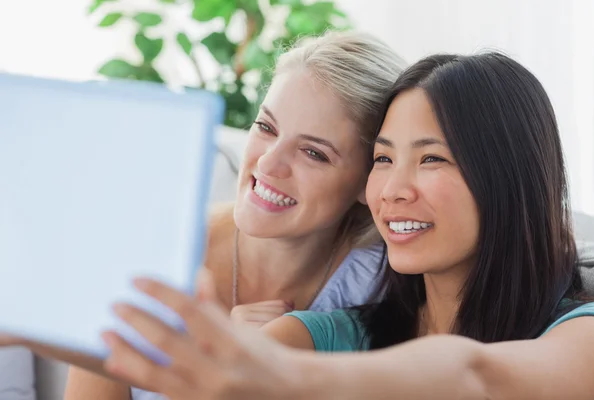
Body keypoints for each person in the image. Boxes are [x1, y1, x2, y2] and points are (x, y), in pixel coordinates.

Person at [96, 52, 594, 399]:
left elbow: (476, 377)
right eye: (383, 159)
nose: (394, 189)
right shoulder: (327, 335)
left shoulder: (584, 336)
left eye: (431, 159)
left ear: (509, 178)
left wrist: (284, 378)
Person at [0, 30, 406, 400]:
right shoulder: (145, 254)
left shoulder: (386, 279)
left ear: (369, 178)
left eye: (313, 153)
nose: (268, 163)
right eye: (266, 127)